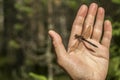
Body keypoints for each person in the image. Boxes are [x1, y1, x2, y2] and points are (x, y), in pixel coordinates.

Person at [48, 3, 112, 80]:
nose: (76, 37)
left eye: (77, 37)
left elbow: (77, 44)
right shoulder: (80, 38)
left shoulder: (79, 39)